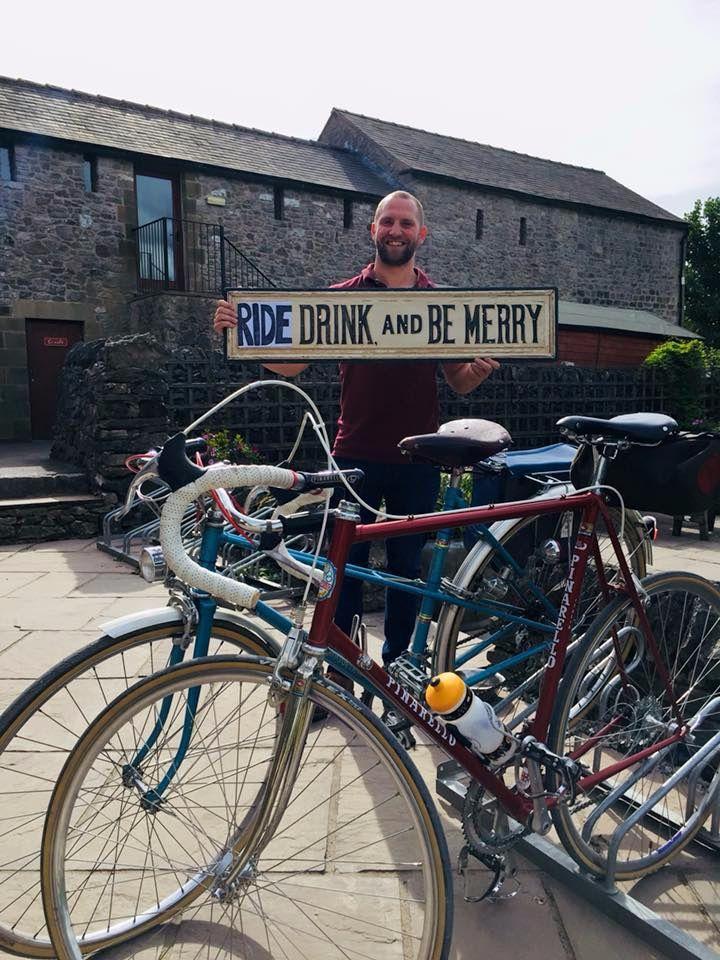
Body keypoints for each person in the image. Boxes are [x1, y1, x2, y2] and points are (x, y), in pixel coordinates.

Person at [213, 190, 499, 667]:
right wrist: (240, 336)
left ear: (421, 234)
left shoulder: (441, 305)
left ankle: (400, 669)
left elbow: (459, 380)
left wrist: (480, 370)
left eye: (405, 223)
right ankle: (340, 670)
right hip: (354, 453)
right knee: (342, 570)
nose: (395, 231)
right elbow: (294, 364)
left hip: (419, 458)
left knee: (407, 571)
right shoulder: (341, 299)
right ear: (373, 230)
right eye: (387, 222)